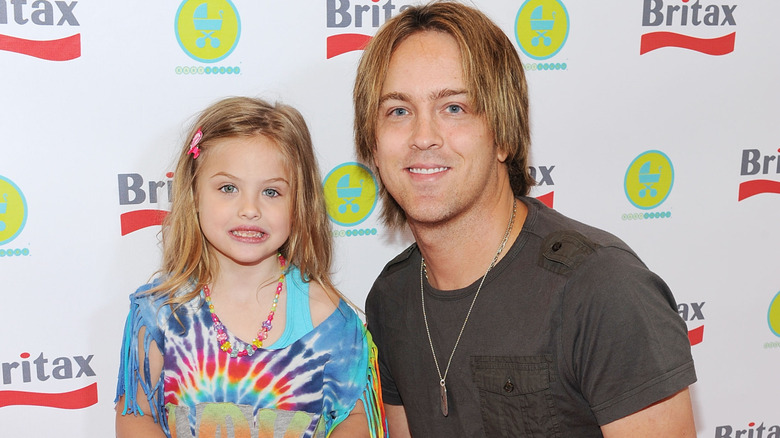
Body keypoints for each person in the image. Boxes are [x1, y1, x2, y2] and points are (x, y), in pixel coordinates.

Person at [354, 2, 697, 437]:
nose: (424, 137)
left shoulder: (602, 290)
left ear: (504, 135)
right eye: (398, 111)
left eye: (454, 107)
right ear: (373, 146)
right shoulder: (391, 297)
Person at [114, 97, 386, 438]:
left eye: (271, 192)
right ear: (194, 192)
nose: (249, 209)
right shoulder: (160, 313)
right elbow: (135, 416)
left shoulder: (329, 320)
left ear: (299, 203)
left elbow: (355, 417)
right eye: (228, 188)